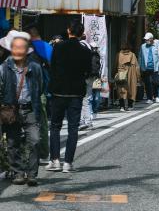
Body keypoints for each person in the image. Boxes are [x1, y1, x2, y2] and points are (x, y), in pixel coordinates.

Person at [47, 22, 92, 173]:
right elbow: (88, 70)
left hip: (58, 91)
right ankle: (68, 163)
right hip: (76, 93)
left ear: (68, 31)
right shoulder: (85, 50)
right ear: (81, 33)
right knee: (73, 128)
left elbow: (52, 67)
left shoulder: (58, 47)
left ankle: (54, 160)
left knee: (55, 126)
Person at [1, 32, 43, 186]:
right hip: (11, 111)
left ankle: (32, 174)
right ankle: (18, 172)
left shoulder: (35, 68)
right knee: (13, 143)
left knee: (35, 140)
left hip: (30, 109)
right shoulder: (3, 68)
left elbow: (40, 88)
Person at [26, 27, 51, 164]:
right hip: (42, 89)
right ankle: (44, 153)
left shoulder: (28, 48)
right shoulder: (46, 46)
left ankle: (30, 154)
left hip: (27, 89)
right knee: (41, 122)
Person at [115, 46, 140, 112]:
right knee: (131, 89)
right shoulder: (133, 55)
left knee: (121, 89)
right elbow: (137, 67)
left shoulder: (118, 55)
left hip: (121, 73)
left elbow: (115, 65)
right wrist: (138, 77)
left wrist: (113, 74)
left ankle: (122, 106)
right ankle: (130, 105)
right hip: (131, 74)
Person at [139, 32, 159, 103]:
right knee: (148, 83)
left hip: (155, 67)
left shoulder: (157, 45)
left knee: (156, 82)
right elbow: (140, 57)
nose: (146, 41)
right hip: (146, 67)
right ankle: (149, 98)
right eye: (145, 39)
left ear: (151, 39)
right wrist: (140, 67)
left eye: (147, 39)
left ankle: (156, 96)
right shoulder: (143, 46)